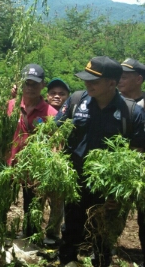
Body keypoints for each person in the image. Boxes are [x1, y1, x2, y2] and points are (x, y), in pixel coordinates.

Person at [56, 56, 145, 267]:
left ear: (112, 83)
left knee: (103, 241)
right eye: (86, 79)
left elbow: (137, 153)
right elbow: (54, 133)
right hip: (75, 184)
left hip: (107, 192)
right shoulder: (77, 101)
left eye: (94, 81)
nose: (87, 84)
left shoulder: (132, 112)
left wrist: (119, 193)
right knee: (70, 234)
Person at [7, 64, 57, 238]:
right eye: (26, 83)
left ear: (43, 85)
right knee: (2, 201)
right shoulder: (10, 106)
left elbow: (55, 144)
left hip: (34, 171)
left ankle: (30, 239)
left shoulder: (51, 113)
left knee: (32, 206)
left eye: (34, 84)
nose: (30, 87)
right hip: (9, 165)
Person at [117, 58, 145, 265]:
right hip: (116, 169)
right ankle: (103, 248)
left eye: (124, 76)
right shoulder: (112, 102)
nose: (120, 80)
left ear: (139, 79)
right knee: (114, 210)